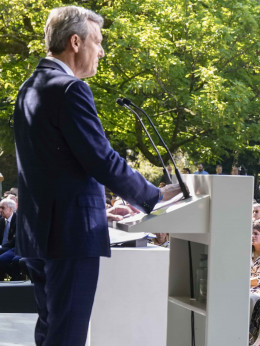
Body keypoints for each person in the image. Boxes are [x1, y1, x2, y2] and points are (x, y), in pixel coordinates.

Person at [12, 6, 183, 345]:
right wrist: (154, 196)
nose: (102, 51)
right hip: (69, 237)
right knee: (67, 336)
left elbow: (54, 169)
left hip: (38, 232)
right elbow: (101, 160)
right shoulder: (69, 89)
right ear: (75, 42)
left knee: (50, 331)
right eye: (98, 42)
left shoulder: (29, 87)